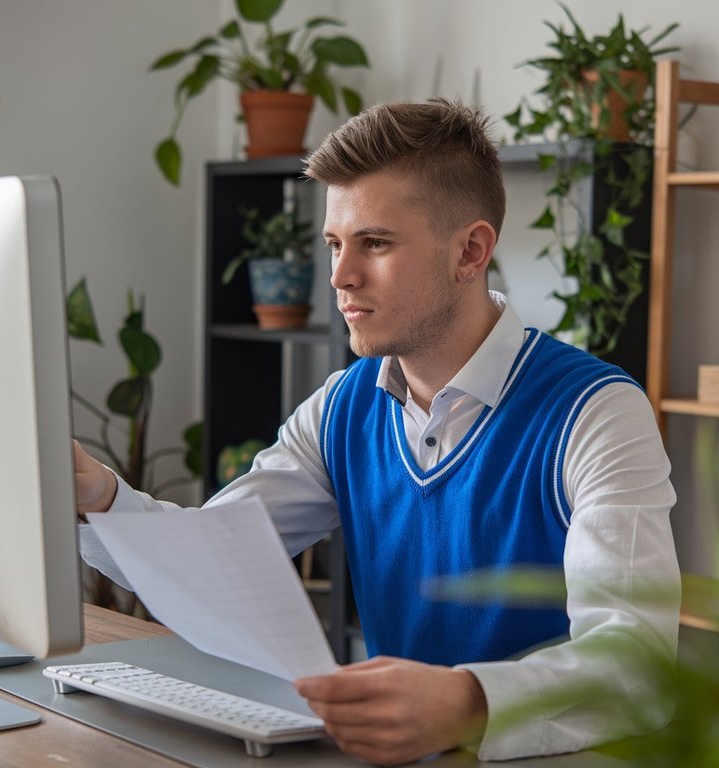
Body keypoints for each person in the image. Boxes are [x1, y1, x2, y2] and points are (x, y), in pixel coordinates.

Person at [75, 98, 681, 766]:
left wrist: (468, 702)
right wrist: (100, 497)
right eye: (335, 244)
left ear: (471, 251)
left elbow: (638, 663)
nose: (339, 277)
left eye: (376, 243)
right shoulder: (342, 405)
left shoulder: (597, 412)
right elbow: (212, 561)